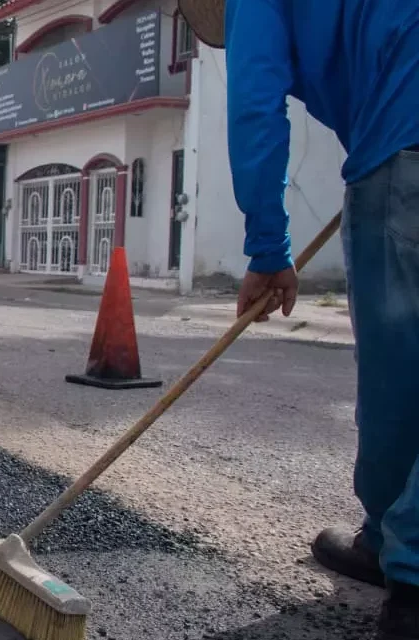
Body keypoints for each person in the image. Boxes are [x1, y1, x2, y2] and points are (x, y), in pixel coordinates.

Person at [179, 1, 419, 636]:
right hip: (398, 135)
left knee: (399, 372)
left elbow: (257, 103)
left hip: (401, 147)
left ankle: (411, 567)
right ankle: (388, 535)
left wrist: (267, 250)